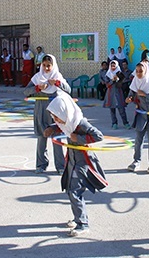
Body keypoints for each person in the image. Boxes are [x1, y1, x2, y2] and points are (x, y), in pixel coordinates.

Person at [44, 92, 107, 237]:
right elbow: (60, 126)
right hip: (72, 159)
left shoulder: (79, 123)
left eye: (56, 115)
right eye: (53, 116)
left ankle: (83, 224)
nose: (55, 119)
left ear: (64, 111)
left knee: (74, 190)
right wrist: (52, 128)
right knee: (69, 188)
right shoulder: (66, 122)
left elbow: (98, 136)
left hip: (83, 161)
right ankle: (78, 218)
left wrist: (77, 138)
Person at [23, 54, 69, 174]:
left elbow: (69, 90)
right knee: (41, 138)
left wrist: (57, 83)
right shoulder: (37, 77)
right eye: (44, 65)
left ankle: (60, 166)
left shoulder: (57, 76)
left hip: (55, 110)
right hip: (40, 109)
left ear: (53, 66)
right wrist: (37, 88)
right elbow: (26, 91)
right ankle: (41, 165)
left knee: (57, 138)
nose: (46, 68)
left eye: (49, 66)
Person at [126, 62, 149, 173]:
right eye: (136, 71)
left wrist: (145, 95)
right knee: (138, 139)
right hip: (141, 115)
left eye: (141, 71)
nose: (138, 73)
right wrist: (129, 99)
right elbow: (131, 94)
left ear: (145, 71)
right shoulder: (135, 82)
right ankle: (136, 161)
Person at [102, 60, 130, 129]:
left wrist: (118, 80)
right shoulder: (108, 74)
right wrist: (112, 80)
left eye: (114, 66)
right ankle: (114, 123)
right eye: (112, 66)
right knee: (112, 109)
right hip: (110, 93)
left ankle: (125, 123)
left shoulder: (120, 73)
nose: (113, 67)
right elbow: (107, 85)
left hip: (118, 93)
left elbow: (122, 84)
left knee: (121, 109)